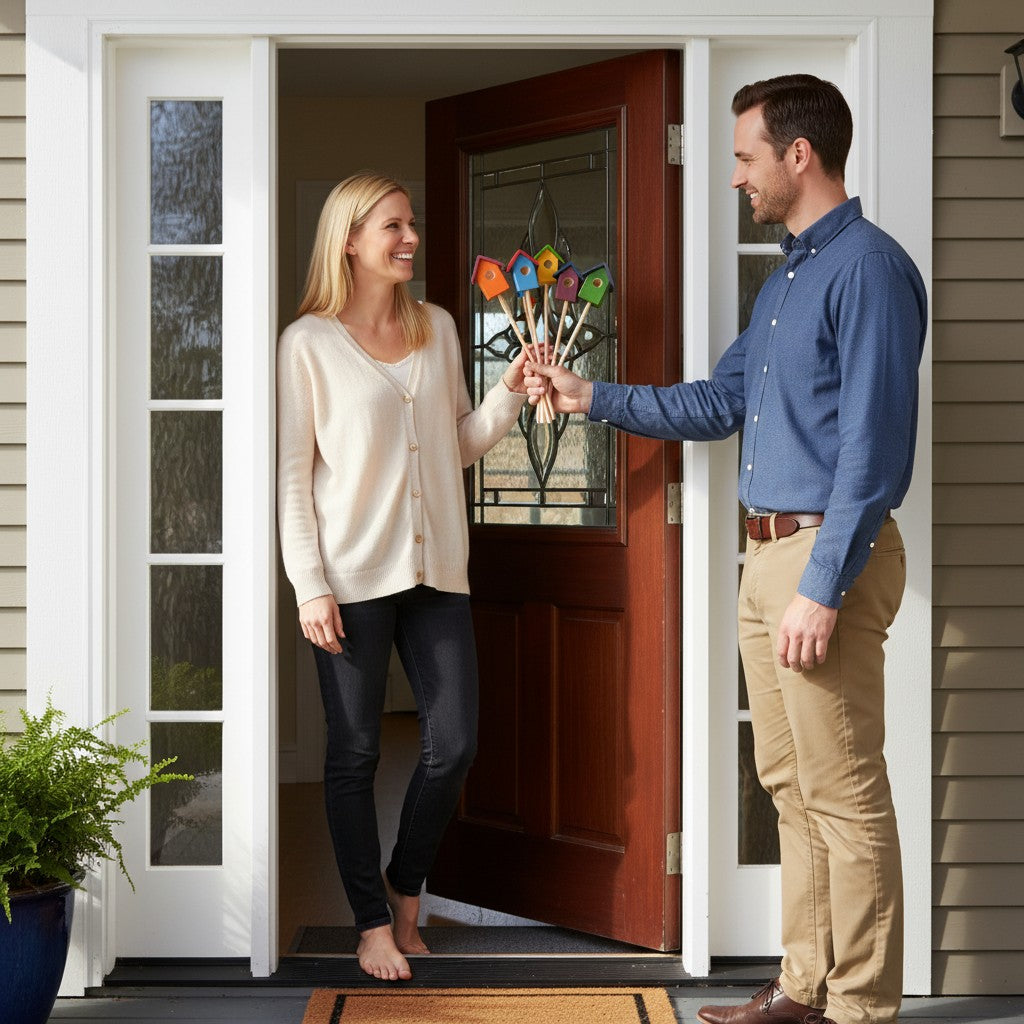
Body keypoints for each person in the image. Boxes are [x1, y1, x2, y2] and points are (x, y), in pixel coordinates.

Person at [526, 76, 926, 1024]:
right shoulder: (786, 277)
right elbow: (716, 401)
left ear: (798, 155)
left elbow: (873, 449)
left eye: (745, 157)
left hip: (827, 555)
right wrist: (589, 398)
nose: (736, 177)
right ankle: (804, 984)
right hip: (768, 561)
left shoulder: (868, 268)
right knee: (791, 784)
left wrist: (822, 586)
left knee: (846, 790)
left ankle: (863, 1009)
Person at [277, 172, 529, 982]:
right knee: (352, 753)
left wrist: (510, 395)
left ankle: (405, 885)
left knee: (453, 745)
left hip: (436, 570)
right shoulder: (307, 344)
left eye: (411, 224)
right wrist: (309, 583)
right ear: (350, 240)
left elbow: (455, 441)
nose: (409, 238)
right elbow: (291, 476)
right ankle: (370, 924)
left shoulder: (440, 328)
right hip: (348, 577)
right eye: (393, 226)